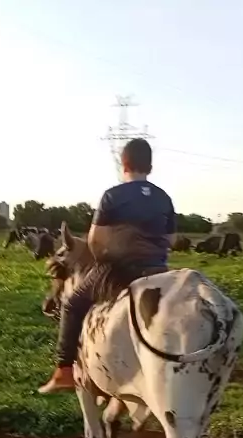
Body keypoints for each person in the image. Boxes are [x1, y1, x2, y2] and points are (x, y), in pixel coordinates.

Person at [38, 138, 176, 393]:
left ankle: (64, 370)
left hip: (122, 269)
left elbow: (95, 240)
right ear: (150, 166)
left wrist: (104, 260)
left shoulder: (113, 196)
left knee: (72, 304)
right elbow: (171, 240)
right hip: (159, 271)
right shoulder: (164, 198)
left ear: (124, 164)